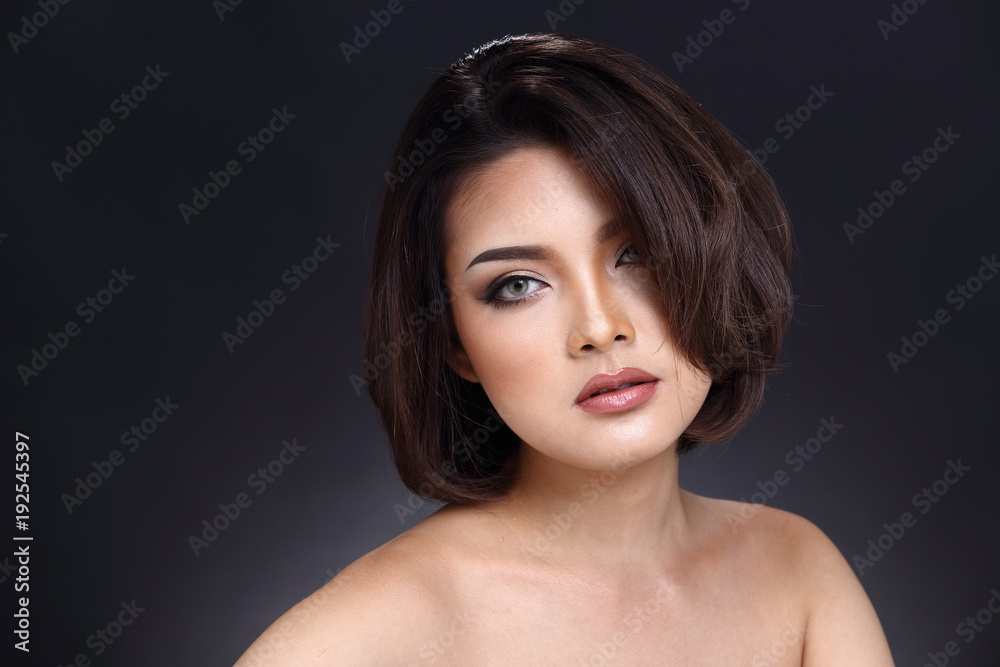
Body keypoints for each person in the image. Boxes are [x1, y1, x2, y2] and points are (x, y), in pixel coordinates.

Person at [234, 32, 895, 666]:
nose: (600, 327)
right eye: (518, 285)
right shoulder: (378, 629)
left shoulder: (795, 572)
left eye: (637, 253)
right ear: (454, 341)